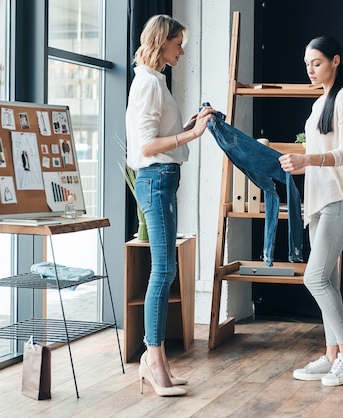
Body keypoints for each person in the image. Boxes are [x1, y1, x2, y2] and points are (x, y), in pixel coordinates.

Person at [125, 14, 215, 397]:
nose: (182, 50)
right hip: (155, 179)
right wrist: (191, 133)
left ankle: (157, 361)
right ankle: (153, 359)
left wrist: (189, 125)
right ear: (161, 43)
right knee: (163, 271)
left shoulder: (156, 81)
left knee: (166, 270)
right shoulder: (146, 83)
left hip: (164, 180)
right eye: (178, 44)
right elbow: (145, 147)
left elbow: (159, 134)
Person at [279, 36, 343, 387]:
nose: (310, 69)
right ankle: (332, 355)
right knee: (326, 279)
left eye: (316, 63)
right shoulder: (320, 105)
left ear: (335, 60)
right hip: (317, 201)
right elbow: (320, 158)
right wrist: (299, 166)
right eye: (306, 64)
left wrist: (308, 158)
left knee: (314, 278)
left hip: (339, 198)